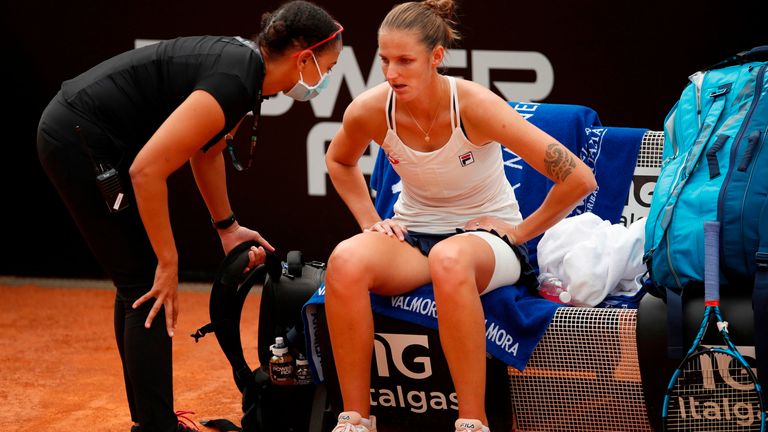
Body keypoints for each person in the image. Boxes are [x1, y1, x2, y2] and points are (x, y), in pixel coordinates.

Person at [36, 2, 342, 431]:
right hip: (80, 139)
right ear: (303, 57)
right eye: (327, 67)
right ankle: (156, 426)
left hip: (90, 135)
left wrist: (227, 226)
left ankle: (152, 422)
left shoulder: (246, 72)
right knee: (147, 284)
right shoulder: (237, 78)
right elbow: (147, 171)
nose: (323, 80)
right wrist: (168, 260)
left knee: (137, 284)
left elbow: (207, 151)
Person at [323, 1, 597, 431]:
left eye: (405, 61)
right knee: (344, 261)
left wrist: (517, 232)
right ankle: (356, 419)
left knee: (449, 259)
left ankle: (473, 422)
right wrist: (368, 220)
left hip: (485, 246)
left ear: (436, 57)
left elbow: (579, 179)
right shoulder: (371, 109)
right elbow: (339, 161)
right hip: (414, 236)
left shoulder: (474, 105)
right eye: (384, 61)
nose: (391, 73)